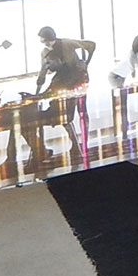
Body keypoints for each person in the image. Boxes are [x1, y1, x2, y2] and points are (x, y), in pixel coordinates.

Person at [19, 27, 96, 174]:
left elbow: (91, 45)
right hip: (61, 87)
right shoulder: (46, 53)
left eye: (45, 40)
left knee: (79, 112)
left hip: (76, 81)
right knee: (63, 114)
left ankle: (81, 144)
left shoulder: (67, 44)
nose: (45, 44)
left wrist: (86, 63)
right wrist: (36, 94)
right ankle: (43, 150)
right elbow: (43, 74)